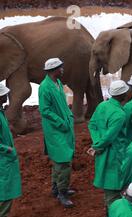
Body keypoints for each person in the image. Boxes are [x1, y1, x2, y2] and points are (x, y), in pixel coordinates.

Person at [88, 80, 129, 217]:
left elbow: (92, 125)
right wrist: (98, 145)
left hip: (103, 154)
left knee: (108, 188)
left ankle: (110, 215)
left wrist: (96, 143)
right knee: (115, 189)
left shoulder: (102, 106)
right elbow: (110, 137)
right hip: (115, 154)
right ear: (122, 94)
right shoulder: (119, 114)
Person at [38, 58, 76, 208]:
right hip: (55, 129)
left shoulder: (58, 83)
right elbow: (44, 110)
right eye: (61, 68)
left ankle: (56, 188)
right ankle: (62, 192)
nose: (63, 70)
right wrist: (61, 122)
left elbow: (62, 104)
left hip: (63, 127)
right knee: (64, 161)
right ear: (54, 70)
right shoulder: (45, 87)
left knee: (58, 160)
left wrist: (69, 116)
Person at [0, 84, 22, 217]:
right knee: (4, 196)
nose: (6, 96)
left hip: (6, 160)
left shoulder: (1, 112)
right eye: (4, 94)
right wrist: (8, 150)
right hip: (3, 161)